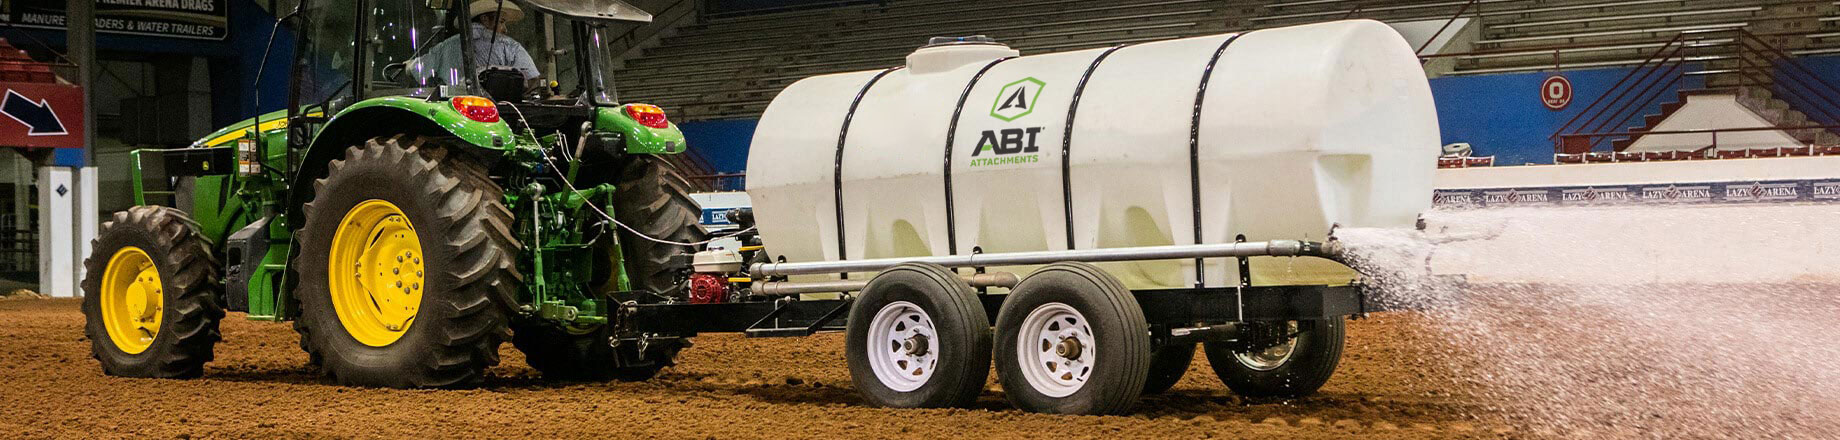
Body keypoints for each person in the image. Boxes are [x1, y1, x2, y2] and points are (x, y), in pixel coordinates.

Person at [409, 0, 540, 84]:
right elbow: (532, 78)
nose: (505, 29)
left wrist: (408, 65)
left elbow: (418, 71)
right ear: (484, 19)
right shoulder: (510, 45)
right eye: (501, 22)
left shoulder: (445, 46)